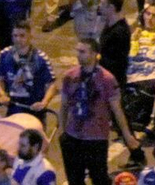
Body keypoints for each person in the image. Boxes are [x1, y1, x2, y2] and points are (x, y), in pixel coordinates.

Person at [58, 37, 141, 185]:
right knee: (74, 179)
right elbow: (64, 106)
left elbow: (117, 110)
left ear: (94, 54)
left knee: (99, 178)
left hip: (95, 138)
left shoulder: (107, 79)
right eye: (78, 51)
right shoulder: (70, 76)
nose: (79, 55)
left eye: (83, 52)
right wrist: (62, 133)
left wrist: (127, 135)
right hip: (73, 136)